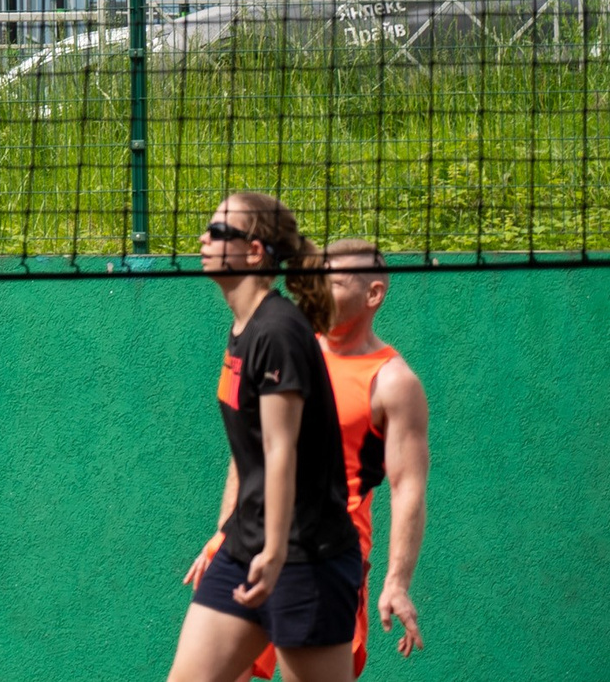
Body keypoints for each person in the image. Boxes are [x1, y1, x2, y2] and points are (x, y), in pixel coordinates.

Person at [166, 192, 362, 682]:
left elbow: (280, 451)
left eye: (217, 232)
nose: (202, 240)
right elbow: (249, 454)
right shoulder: (246, 327)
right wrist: (227, 532)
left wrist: (274, 554)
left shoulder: (277, 332)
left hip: (304, 559)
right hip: (245, 548)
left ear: (254, 252)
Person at [240, 239, 429, 681]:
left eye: (332, 281)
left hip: (326, 554)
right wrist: (223, 533)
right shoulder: (290, 351)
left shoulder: (393, 382)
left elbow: (407, 487)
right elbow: (253, 453)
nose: (317, 289)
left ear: (373, 294)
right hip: (255, 540)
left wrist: (397, 582)